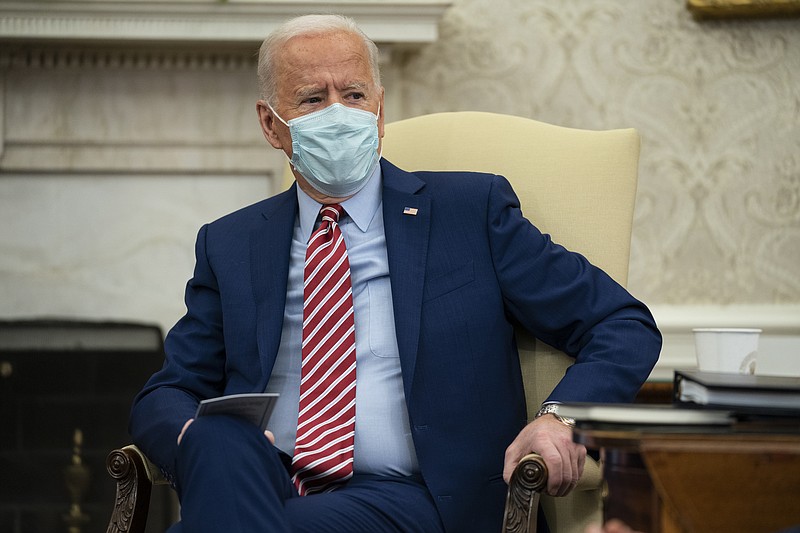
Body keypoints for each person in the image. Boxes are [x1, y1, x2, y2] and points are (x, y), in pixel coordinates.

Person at [129, 13, 662, 533]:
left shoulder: (469, 212)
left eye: (355, 95)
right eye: (314, 99)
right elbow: (168, 391)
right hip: (264, 482)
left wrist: (561, 419)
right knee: (217, 438)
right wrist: (197, 441)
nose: (339, 112)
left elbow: (620, 323)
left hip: (420, 495)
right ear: (272, 124)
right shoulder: (231, 243)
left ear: (379, 111)